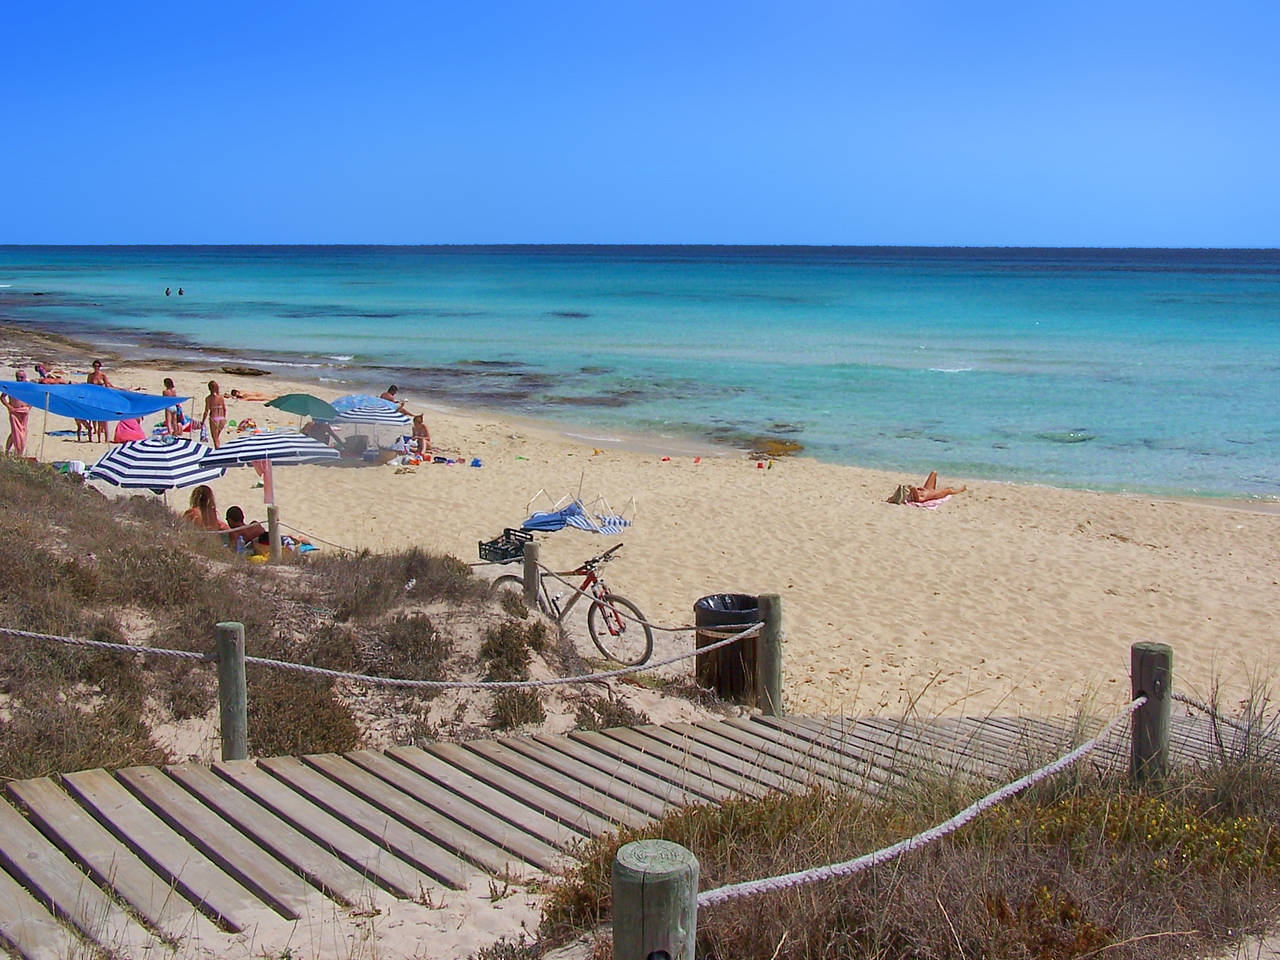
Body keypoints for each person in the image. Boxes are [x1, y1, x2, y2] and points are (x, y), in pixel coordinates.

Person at [888, 471, 967, 504]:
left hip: (927, 489)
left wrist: (917, 489)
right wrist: (914, 489)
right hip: (932, 493)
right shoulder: (916, 498)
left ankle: (959, 489)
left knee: (934, 472)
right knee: (948, 490)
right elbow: (919, 500)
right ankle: (961, 490)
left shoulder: (911, 494)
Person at [2, 370, 31, 456]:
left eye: (22, 377)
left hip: (24, 412)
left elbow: (33, 398)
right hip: (14, 411)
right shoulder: (11, 386)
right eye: (19, 377)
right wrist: (9, 407)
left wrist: (29, 407)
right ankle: (8, 451)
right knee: (15, 432)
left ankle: (19, 452)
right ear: (16, 377)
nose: (21, 379)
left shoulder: (27, 387)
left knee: (22, 432)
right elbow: (2, 397)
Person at [86, 360, 113, 442]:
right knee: (93, 416)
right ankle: (95, 430)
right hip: (93, 397)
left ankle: (105, 437)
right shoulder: (90, 376)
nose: (96, 367)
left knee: (103, 417)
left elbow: (107, 385)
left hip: (102, 397)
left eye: (98, 366)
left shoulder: (103, 375)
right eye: (95, 366)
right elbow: (88, 387)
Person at [201, 381, 227, 448]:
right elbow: (224, 409)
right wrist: (224, 418)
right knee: (217, 438)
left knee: (215, 440)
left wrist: (203, 421)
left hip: (214, 419)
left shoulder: (208, 398)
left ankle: (218, 454)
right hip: (222, 419)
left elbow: (206, 411)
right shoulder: (221, 397)